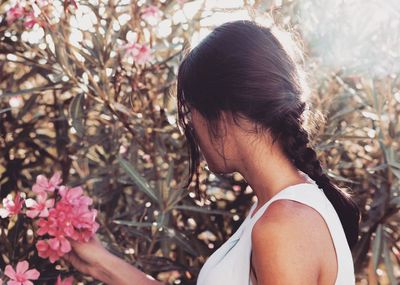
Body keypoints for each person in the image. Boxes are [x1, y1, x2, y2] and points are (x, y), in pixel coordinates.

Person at [63, 20, 360, 284]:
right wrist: (100, 263)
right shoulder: (274, 209)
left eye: (190, 114)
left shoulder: (284, 225)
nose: (191, 129)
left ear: (221, 112)